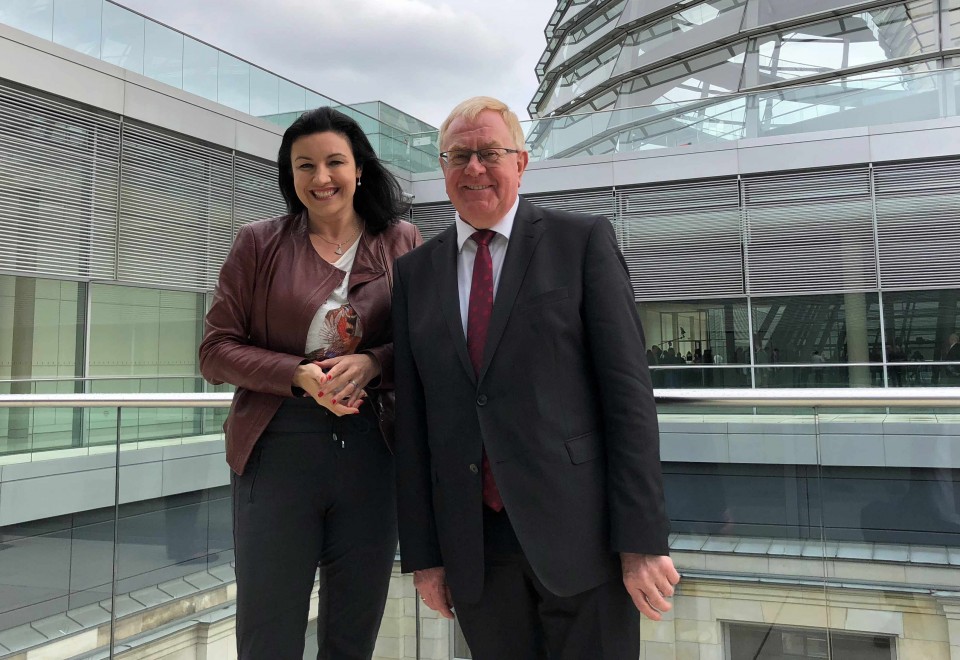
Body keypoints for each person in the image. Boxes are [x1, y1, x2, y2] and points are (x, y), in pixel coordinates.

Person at [392, 97, 678, 660]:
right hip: (474, 546)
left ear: (520, 163)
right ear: (443, 168)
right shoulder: (414, 274)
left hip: (583, 536)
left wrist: (641, 541)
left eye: (489, 153)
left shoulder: (581, 242)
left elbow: (629, 398)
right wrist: (424, 556)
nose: (474, 168)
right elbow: (415, 423)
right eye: (458, 156)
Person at [199, 106, 422, 659]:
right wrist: (295, 375)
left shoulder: (403, 241)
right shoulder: (259, 243)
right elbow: (214, 350)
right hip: (277, 447)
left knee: (353, 629)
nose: (321, 178)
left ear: (360, 168)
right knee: (268, 631)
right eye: (305, 166)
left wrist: (373, 362)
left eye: (334, 162)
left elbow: (428, 345)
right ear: (289, 175)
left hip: (374, 449)